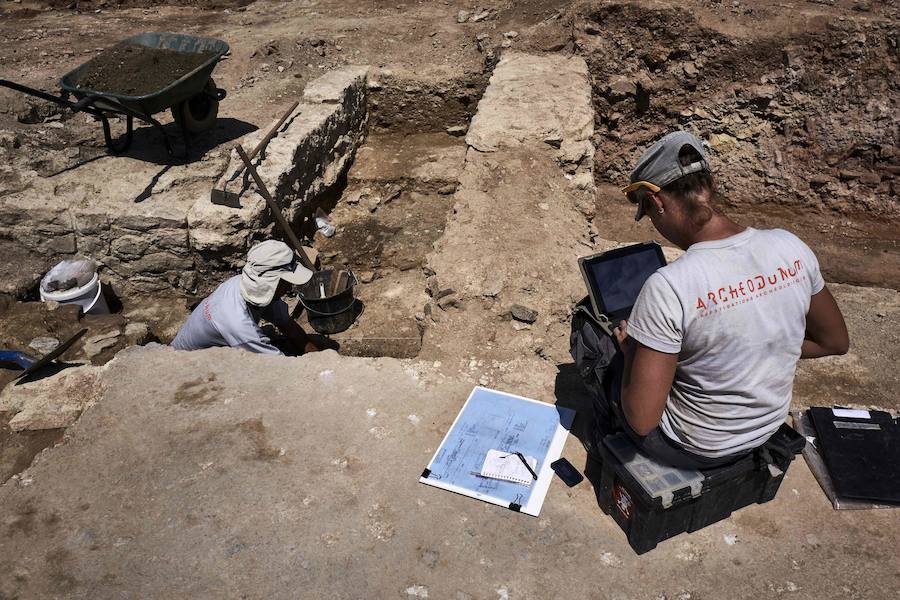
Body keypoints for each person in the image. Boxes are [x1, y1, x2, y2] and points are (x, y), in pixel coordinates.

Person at [593, 130, 849, 469]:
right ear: (709, 185)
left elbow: (642, 421)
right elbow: (835, 342)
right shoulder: (791, 247)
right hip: (766, 429)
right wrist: (757, 348)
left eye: (651, 214)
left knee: (599, 340)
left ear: (657, 203)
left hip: (696, 447)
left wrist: (630, 354)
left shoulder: (669, 286)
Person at [171, 240, 320, 355]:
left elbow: (288, 326)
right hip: (186, 363)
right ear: (272, 283)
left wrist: (316, 357)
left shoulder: (246, 285)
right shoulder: (240, 327)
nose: (290, 287)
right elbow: (277, 365)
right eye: (287, 282)